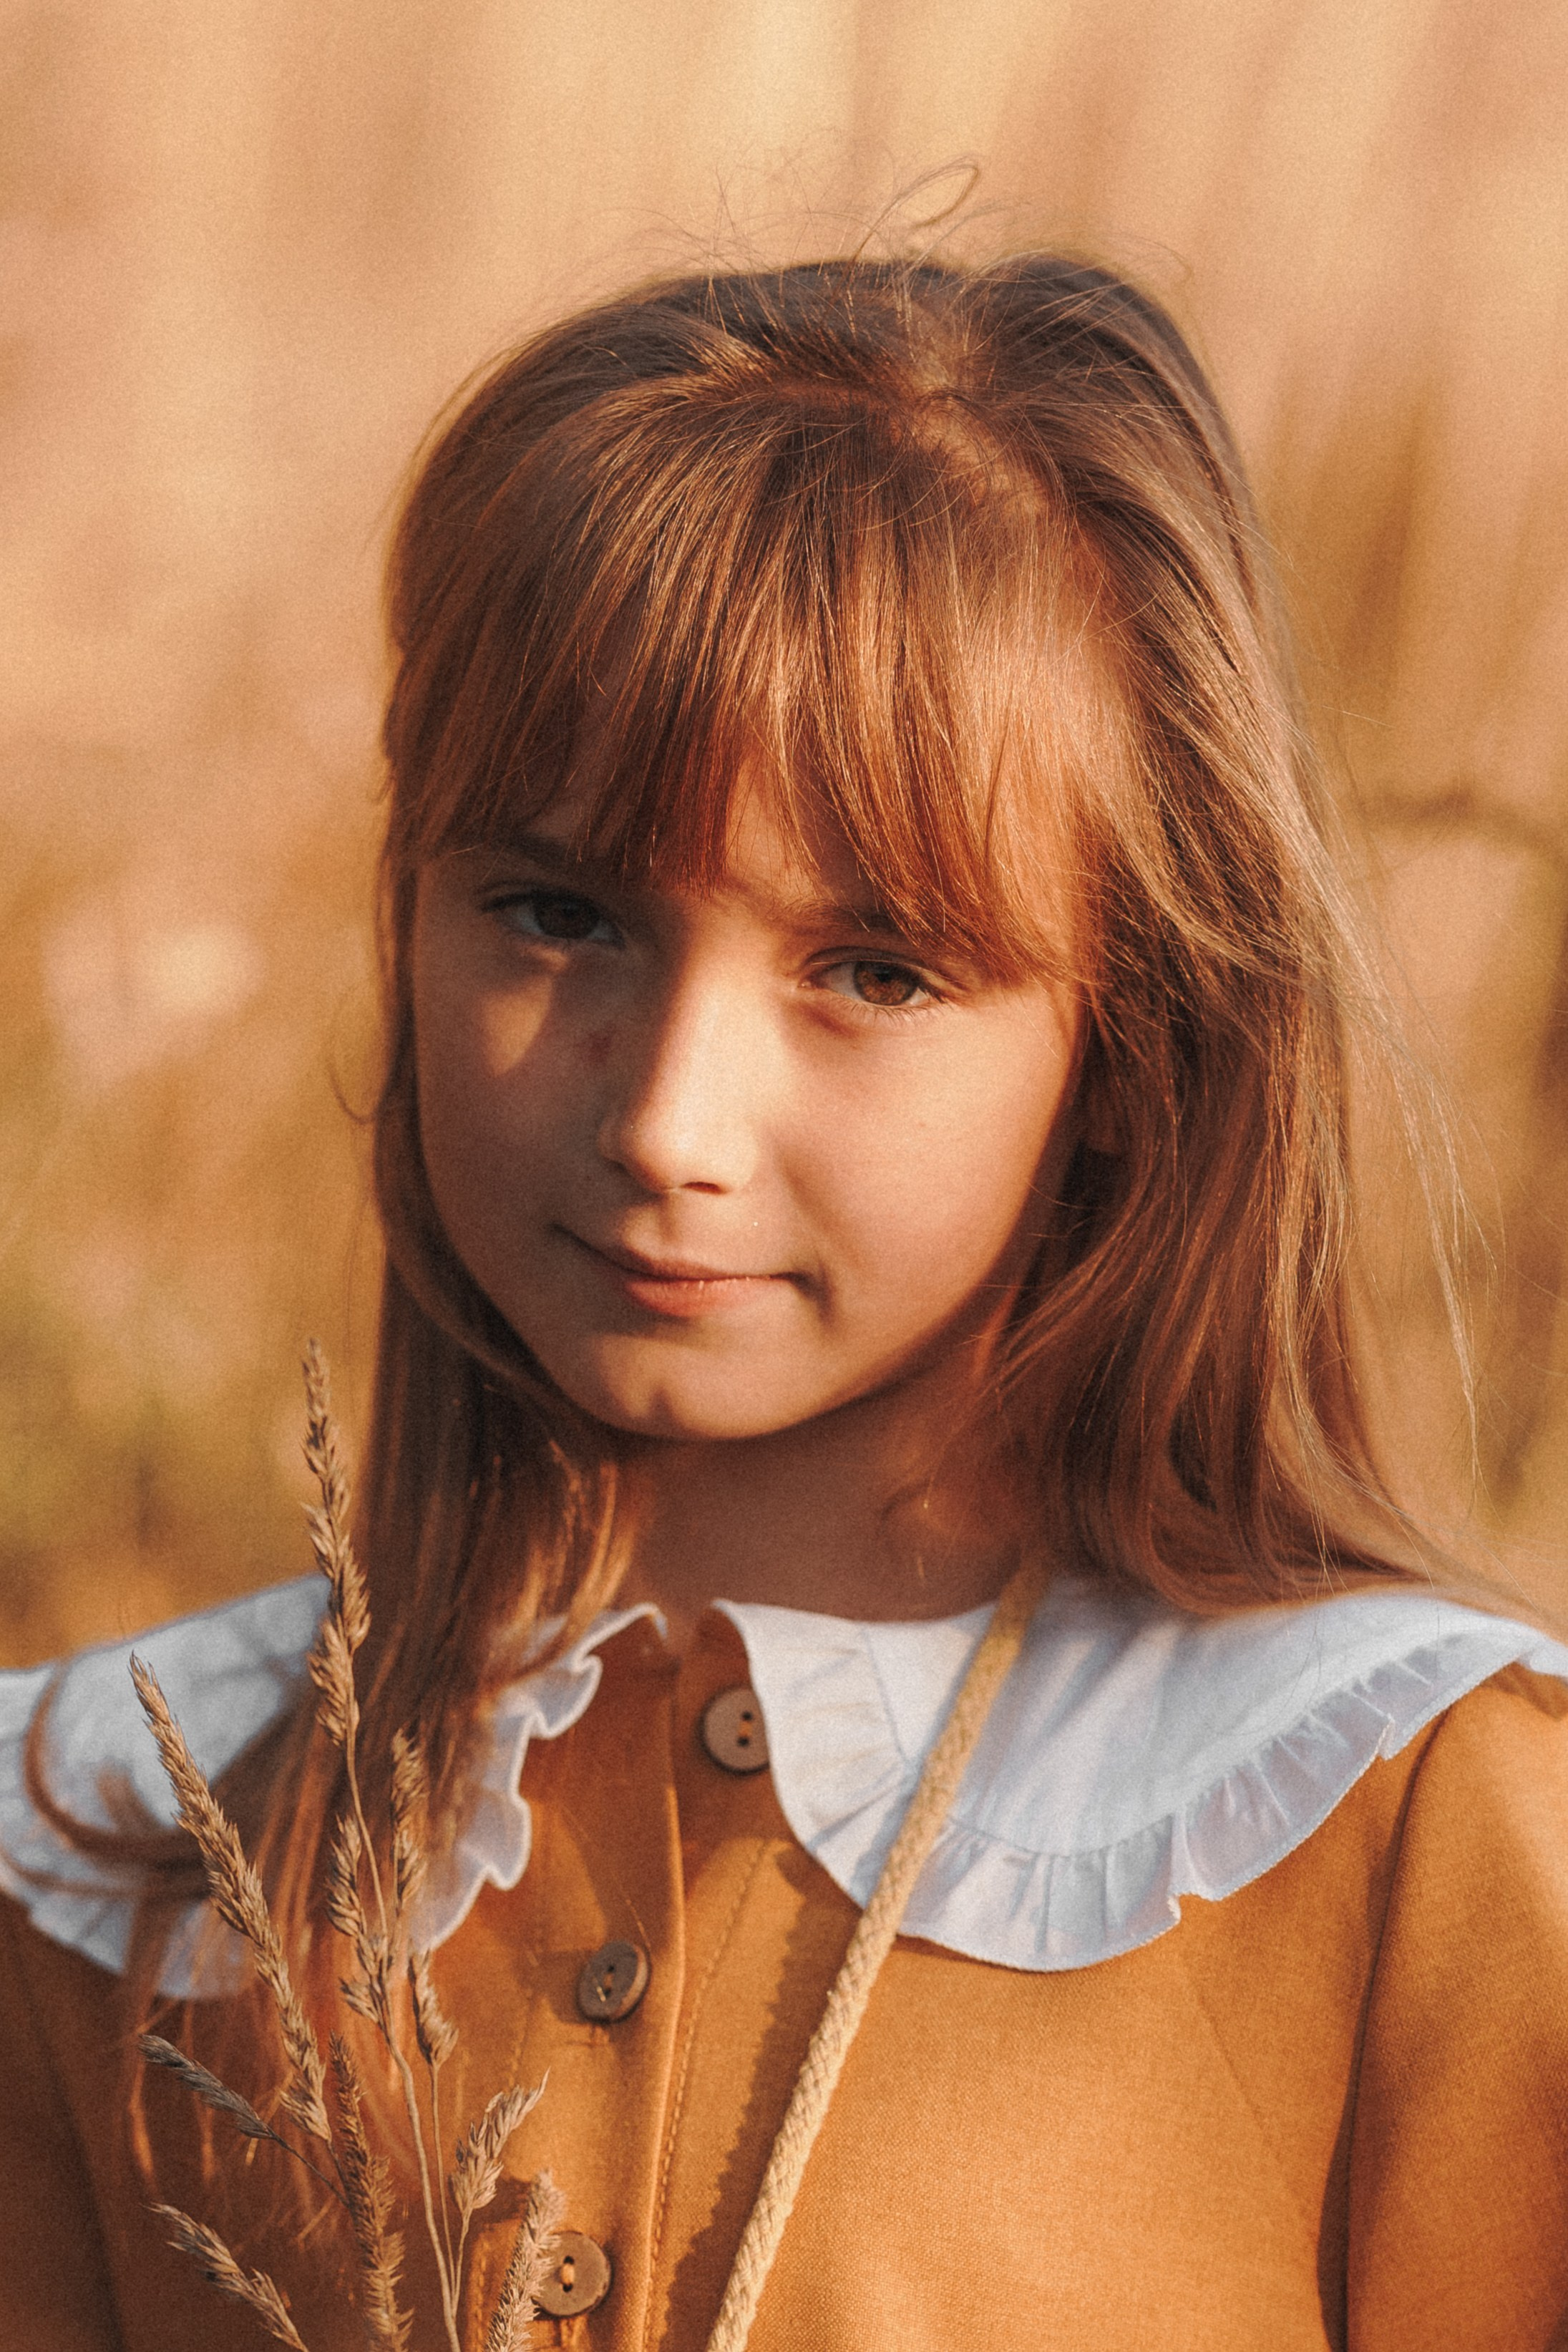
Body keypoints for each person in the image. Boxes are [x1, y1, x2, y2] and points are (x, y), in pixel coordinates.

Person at [1, 252, 1566, 2352]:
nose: (668, 1120)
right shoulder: (101, 1848)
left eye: (876, 971)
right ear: (405, 918)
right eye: (556, 912)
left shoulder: (1401, 1832)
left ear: (1136, 1041)